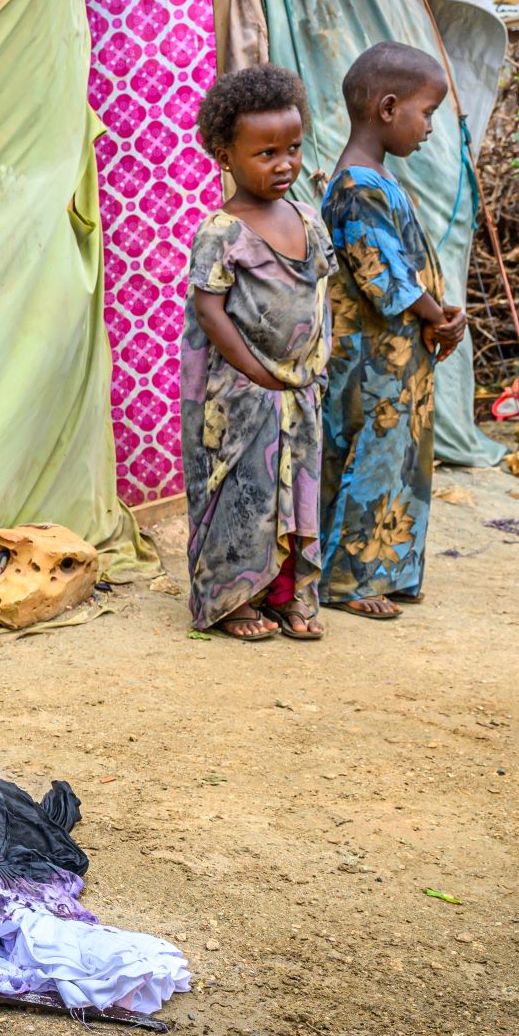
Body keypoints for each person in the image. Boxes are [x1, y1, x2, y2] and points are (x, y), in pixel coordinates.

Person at [180, 64, 334, 642]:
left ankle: (290, 595)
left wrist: (317, 362)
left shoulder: (309, 221)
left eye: (292, 148)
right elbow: (209, 309)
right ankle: (234, 599)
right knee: (244, 490)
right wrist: (255, 371)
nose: (284, 164)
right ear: (226, 154)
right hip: (242, 393)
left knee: (299, 490)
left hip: (299, 389)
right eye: (266, 153)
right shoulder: (222, 232)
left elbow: (321, 294)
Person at [318, 42, 466, 620]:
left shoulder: (377, 178)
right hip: (369, 361)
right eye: (426, 112)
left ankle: (390, 570)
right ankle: (348, 582)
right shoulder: (356, 185)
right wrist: (438, 314)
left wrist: (440, 315)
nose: (429, 127)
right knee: (368, 458)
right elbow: (382, 277)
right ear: (387, 107)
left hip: (399, 359)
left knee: (400, 457)